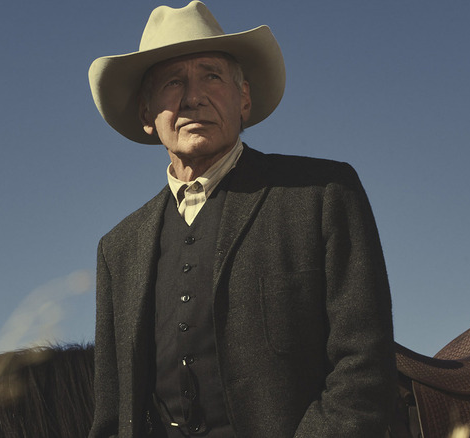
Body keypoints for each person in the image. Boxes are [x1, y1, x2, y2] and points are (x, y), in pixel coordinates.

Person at [87, 2, 395, 437]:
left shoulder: (323, 193)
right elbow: (112, 414)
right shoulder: (118, 248)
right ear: (146, 114)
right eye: (173, 82)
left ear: (244, 98)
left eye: (211, 76)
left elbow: (364, 365)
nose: (193, 97)